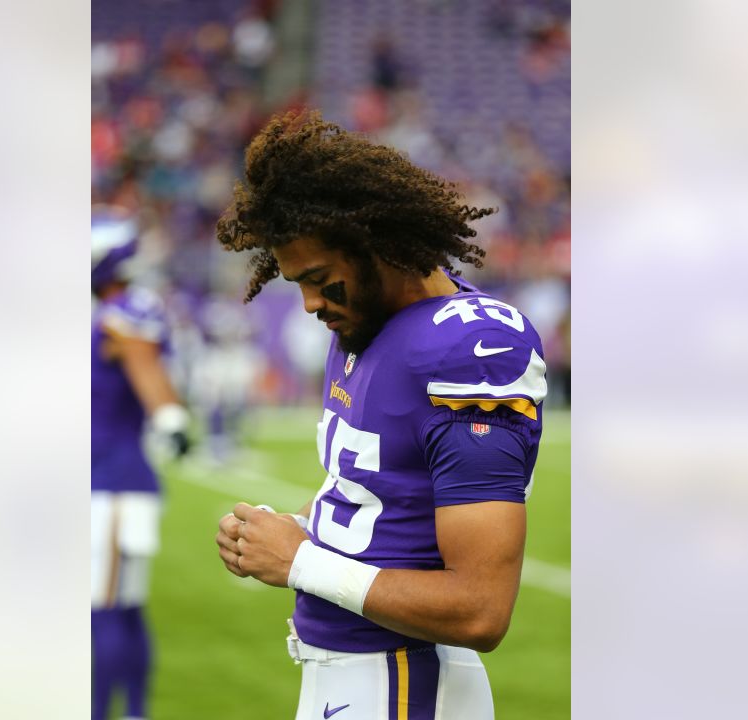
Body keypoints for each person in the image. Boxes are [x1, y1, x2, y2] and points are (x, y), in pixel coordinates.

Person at [213, 111, 547, 719]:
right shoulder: (363, 323)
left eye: (319, 279)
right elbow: (381, 503)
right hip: (354, 677)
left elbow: (480, 608)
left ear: (376, 248)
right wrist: (290, 527)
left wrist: (298, 560)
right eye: (297, 284)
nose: (311, 303)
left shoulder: (469, 350)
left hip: (399, 681)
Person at [91, 210, 190, 720]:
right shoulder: (131, 308)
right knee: (124, 609)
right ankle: (133, 711)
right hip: (121, 478)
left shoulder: (117, 316)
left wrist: (169, 416)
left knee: (101, 611)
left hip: (106, 482)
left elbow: (141, 361)